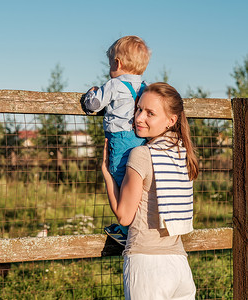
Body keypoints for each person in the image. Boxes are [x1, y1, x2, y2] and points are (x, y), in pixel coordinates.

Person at [101, 82, 198, 299]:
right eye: (138, 109)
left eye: (150, 113)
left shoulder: (142, 154)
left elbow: (124, 216)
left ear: (171, 120)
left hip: (147, 267)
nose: (138, 118)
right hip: (180, 266)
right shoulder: (183, 153)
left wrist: (107, 175)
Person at [80, 35, 151, 243]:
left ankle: (126, 230)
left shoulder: (114, 84)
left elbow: (93, 105)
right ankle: (135, 224)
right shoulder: (146, 86)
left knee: (118, 174)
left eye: (111, 62)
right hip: (140, 138)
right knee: (136, 180)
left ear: (117, 63)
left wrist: (90, 94)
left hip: (119, 139)